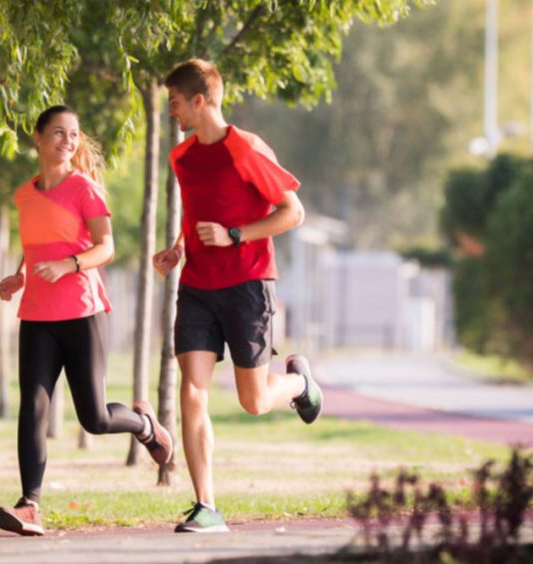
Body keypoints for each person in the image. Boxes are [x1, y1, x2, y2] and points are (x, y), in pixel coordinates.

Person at [153, 59, 323, 534]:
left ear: (200, 101)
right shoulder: (181, 157)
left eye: (176, 103)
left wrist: (235, 234)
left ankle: (300, 384)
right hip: (197, 287)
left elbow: (294, 212)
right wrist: (178, 249)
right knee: (192, 389)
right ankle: (206, 505)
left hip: (248, 284)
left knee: (254, 401)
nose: (173, 113)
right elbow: (196, 212)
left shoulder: (245, 149)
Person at [0, 105, 174, 537]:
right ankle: (30, 505)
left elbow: (105, 247)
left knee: (93, 417)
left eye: (73, 134)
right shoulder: (24, 194)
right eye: (57, 133)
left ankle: (146, 426)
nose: (67, 141)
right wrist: (19, 274)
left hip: (82, 312)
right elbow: (37, 242)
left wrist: (70, 265)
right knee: (32, 406)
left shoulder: (84, 188)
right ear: (37, 138)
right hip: (36, 314)